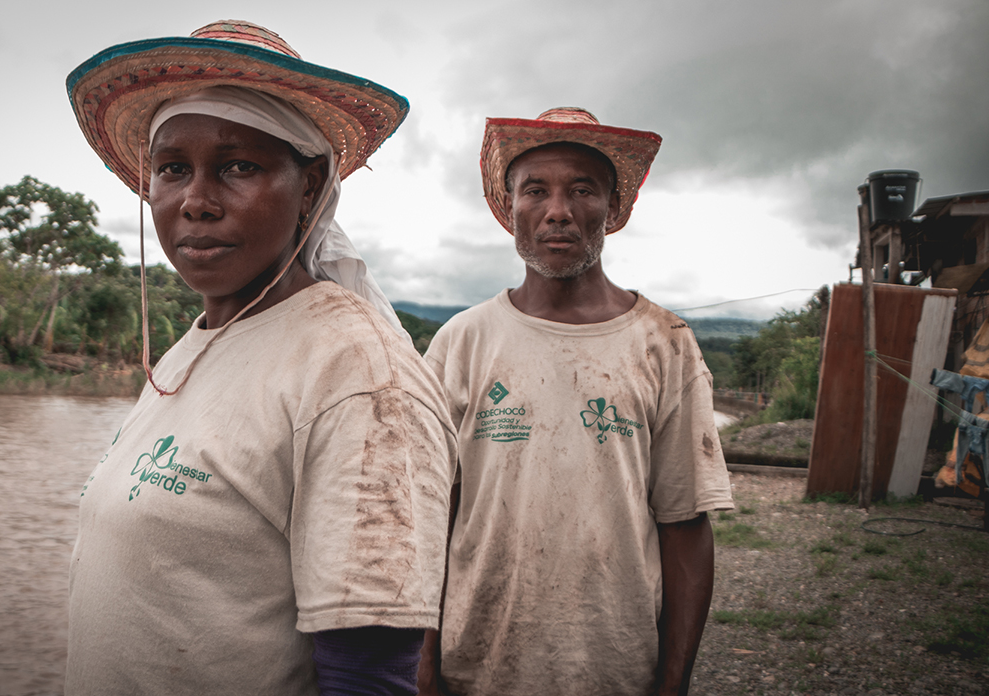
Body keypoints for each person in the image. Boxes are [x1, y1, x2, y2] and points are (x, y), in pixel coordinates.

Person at [63, 21, 457, 695]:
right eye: (172, 168)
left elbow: (369, 674)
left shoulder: (358, 376)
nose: (196, 201)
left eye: (239, 166)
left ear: (309, 188)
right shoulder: (202, 341)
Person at [418, 108, 734, 695]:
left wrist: (673, 682)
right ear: (509, 208)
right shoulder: (462, 342)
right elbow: (430, 517)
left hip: (613, 670)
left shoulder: (665, 343)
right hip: (475, 668)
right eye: (535, 190)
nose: (558, 210)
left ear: (611, 211)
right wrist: (423, 664)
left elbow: (686, 523)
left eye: (582, 189)